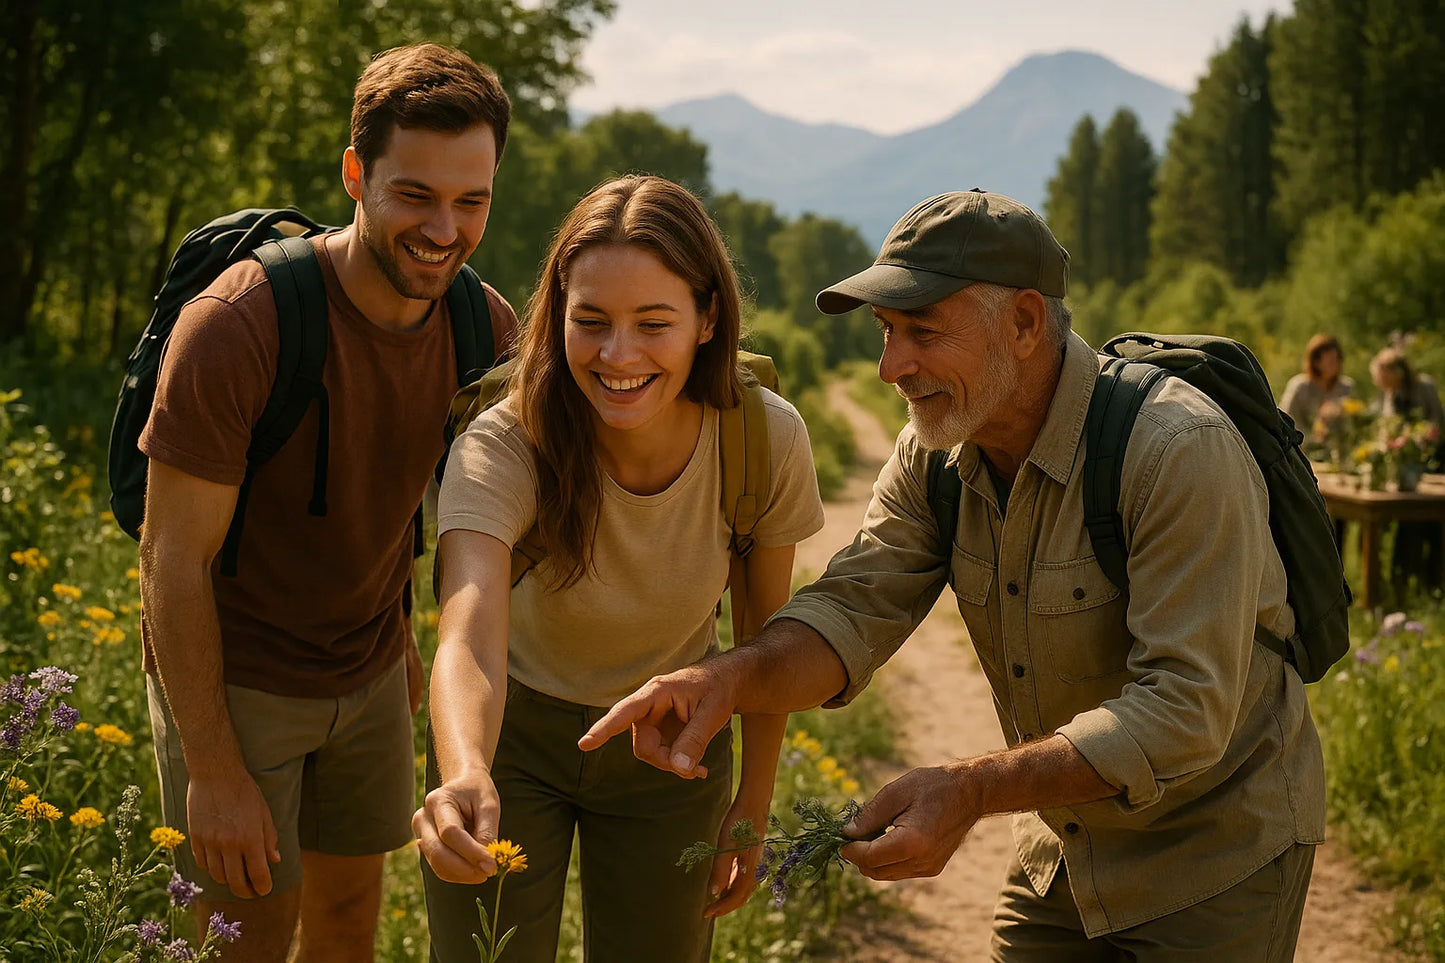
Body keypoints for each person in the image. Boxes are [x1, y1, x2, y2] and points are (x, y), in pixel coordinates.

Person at [582, 190, 1327, 962]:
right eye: (885, 331)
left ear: (1025, 323)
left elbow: (1183, 710)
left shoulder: (1176, 450)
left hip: (1215, 859)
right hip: (1064, 854)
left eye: (923, 331)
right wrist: (724, 679)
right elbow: (853, 607)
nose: (889, 367)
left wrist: (970, 788)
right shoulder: (934, 452)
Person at [138, 44, 515, 962]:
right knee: (247, 940)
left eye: (471, 201)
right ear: (355, 174)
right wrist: (213, 766)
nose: (444, 230)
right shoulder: (240, 324)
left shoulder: (484, 329)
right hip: (236, 681)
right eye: (414, 195)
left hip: (371, 671)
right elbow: (171, 558)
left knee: (348, 925)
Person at [413, 175, 825, 963]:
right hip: (509, 737)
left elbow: (763, 640)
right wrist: (464, 769)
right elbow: (467, 635)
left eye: (653, 323)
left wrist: (755, 795)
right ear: (557, 315)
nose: (618, 355)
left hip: (673, 744)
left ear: (708, 319)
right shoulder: (503, 443)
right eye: (591, 321)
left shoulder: (763, 439)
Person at [1368, 345, 1443, 588]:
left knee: (1430, 525)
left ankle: (1430, 581)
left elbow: (1437, 424)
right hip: (1404, 467)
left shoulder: (1424, 387)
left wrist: (1420, 439)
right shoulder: (1391, 394)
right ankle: (1401, 578)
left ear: (1396, 372)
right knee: (1404, 526)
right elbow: (1387, 427)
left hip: (1432, 464)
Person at [1279, 333, 1355, 443]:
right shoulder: (1299, 387)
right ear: (1316, 362)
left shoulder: (1346, 387)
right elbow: (1285, 419)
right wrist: (1312, 437)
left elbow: (1353, 422)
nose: (1335, 364)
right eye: (1330, 361)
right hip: (1302, 445)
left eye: (1337, 359)